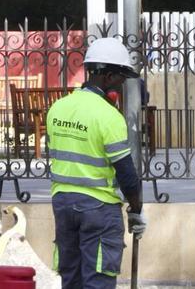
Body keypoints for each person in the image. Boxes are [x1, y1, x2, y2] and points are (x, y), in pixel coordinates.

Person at [47, 37, 146, 289]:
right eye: (121, 78)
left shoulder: (58, 108)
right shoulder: (108, 116)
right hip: (98, 209)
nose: (123, 84)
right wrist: (136, 210)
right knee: (97, 282)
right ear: (109, 76)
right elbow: (126, 173)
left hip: (63, 205)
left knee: (71, 279)